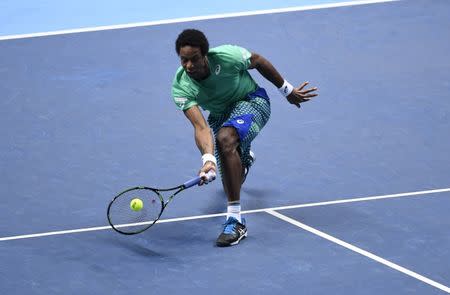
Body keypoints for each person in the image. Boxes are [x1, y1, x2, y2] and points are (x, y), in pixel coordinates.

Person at [172, 29, 318, 247]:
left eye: (194, 59)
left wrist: (287, 90)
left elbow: (257, 60)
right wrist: (208, 160)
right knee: (233, 179)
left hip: (252, 102)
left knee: (225, 139)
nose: (189, 66)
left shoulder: (227, 57)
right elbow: (201, 127)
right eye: (184, 60)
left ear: (205, 55)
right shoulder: (181, 85)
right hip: (221, 117)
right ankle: (244, 158)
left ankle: (235, 221)